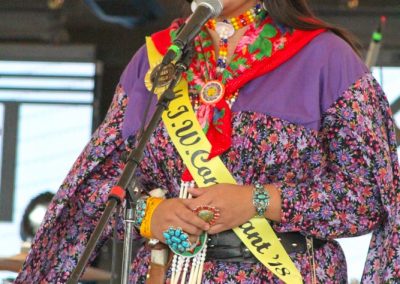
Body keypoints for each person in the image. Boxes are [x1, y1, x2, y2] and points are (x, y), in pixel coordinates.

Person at [15, 0, 400, 283]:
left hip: (286, 272)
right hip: (164, 272)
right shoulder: (156, 60)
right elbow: (89, 194)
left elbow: (367, 197)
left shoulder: (325, 57)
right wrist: (152, 216)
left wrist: (257, 200)